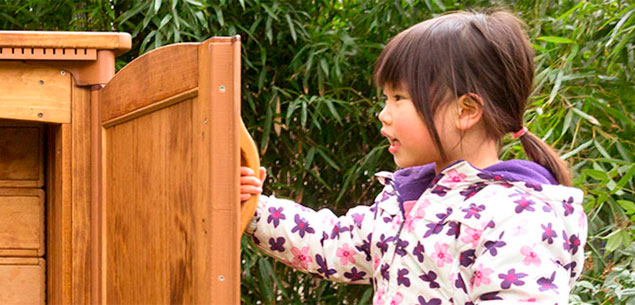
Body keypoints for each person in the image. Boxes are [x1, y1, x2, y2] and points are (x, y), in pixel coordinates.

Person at [240, 10, 587, 305]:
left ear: (465, 111)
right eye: (385, 98)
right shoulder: (406, 200)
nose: (383, 115)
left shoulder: (519, 216)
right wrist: (251, 208)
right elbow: (333, 244)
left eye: (399, 98)